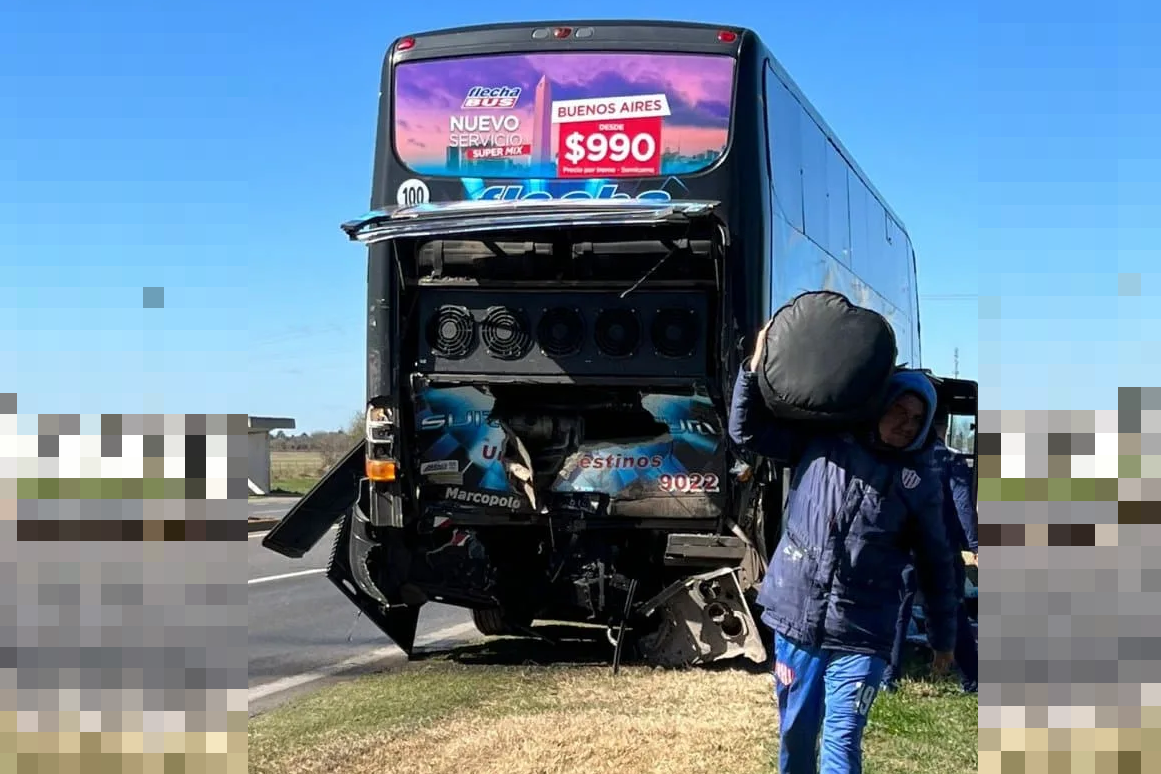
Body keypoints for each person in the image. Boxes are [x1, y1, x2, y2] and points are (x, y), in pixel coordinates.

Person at [729, 319, 959, 774]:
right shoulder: (822, 443)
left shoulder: (919, 483)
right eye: (900, 411)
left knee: (842, 740)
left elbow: (937, 564)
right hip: (797, 621)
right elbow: (748, 433)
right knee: (795, 735)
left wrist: (943, 639)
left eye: (917, 420)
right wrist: (752, 370)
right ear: (880, 405)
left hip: (862, 632)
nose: (905, 424)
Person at [882, 409, 979, 693]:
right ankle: (972, 678)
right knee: (951, 609)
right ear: (942, 428)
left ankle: (889, 677)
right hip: (941, 546)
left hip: (904, 544)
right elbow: (962, 506)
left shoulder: (900, 456)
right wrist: (973, 544)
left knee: (899, 607)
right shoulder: (952, 459)